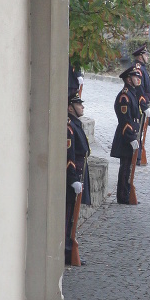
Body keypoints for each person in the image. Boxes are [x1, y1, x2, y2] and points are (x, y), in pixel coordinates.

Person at [110, 62, 143, 204]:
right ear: (129, 79)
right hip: (125, 136)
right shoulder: (125, 96)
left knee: (129, 167)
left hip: (132, 134)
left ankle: (127, 192)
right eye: (135, 76)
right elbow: (125, 120)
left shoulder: (132, 93)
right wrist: (131, 137)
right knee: (125, 167)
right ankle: (123, 196)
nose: (138, 79)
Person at [65, 92, 91, 265]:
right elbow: (69, 155)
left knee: (73, 215)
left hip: (80, 172)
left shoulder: (76, 124)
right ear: (70, 108)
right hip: (74, 174)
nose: (82, 106)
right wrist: (73, 178)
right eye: (78, 104)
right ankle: (67, 251)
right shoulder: (69, 127)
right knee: (68, 216)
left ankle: (69, 248)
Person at [132, 43, 150, 163]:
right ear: (140, 56)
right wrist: (144, 106)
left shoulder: (141, 68)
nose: (148, 57)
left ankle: (138, 156)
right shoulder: (138, 69)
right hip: (140, 105)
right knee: (138, 130)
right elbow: (139, 88)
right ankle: (137, 156)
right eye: (146, 55)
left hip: (145, 102)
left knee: (140, 131)